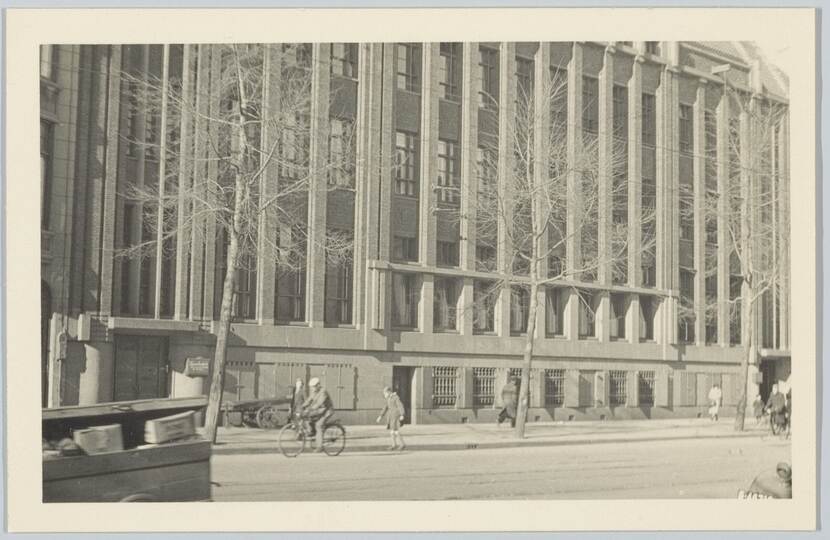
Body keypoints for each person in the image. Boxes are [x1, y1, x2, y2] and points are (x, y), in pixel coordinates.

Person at [301, 377, 334, 452]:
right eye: (311, 387)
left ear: (318, 385)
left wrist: (310, 409)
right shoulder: (314, 392)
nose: (312, 388)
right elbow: (309, 400)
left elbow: (320, 403)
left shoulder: (323, 392)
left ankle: (320, 447)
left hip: (327, 411)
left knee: (318, 425)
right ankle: (313, 433)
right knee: (308, 418)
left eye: (314, 386)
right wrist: (302, 406)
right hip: (320, 411)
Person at [376, 386, 407, 451]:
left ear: (389, 392)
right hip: (391, 416)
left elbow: (400, 406)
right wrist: (380, 416)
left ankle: (401, 444)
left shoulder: (395, 398)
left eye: (385, 393)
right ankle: (394, 445)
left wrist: (402, 415)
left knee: (395, 431)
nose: (384, 395)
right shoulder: (388, 399)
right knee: (392, 431)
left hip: (395, 416)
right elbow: (385, 408)